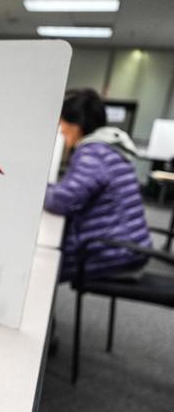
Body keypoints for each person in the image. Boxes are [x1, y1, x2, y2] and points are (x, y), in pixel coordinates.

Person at [44, 89, 152, 282]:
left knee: (42, 264)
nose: (60, 130)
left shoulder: (93, 152)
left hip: (115, 253)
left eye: (62, 123)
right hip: (130, 246)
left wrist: (36, 191)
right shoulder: (108, 148)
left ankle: (35, 312)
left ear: (76, 126)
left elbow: (63, 201)